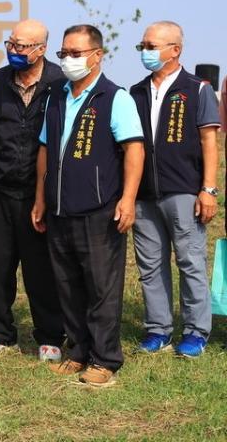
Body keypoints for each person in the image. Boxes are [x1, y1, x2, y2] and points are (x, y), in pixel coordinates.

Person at [31, 24, 145, 388]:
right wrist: (40, 198)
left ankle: (104, 359)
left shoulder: (115, 98)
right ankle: (78, 350)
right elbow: (45, 150)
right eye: (64, 53)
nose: (68, 60)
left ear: (97, 56)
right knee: (68, 286)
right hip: (60, 209)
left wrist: (127, 199)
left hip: (99, 210)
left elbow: (134, 149)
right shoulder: (57, 97)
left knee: (101, 289)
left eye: (76, 54)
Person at [129, 21, 220, 358]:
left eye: (151, 46)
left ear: (175, 50)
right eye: (143, 46)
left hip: (183, 191)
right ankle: (158, 329)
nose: (145, 52)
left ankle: (196, 331)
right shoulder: (135, 92)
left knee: (190, 261)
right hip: (143, 195)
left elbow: (210, 140)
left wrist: (208, 189)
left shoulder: (197, 89)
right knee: (150, 265)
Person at [0, 19, 65, 362]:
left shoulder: (58, 82)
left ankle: (50, 336)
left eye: (22, 46)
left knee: (41, 267)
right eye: (10, 44)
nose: (14, 51)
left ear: (41, 49)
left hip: (39, 192)